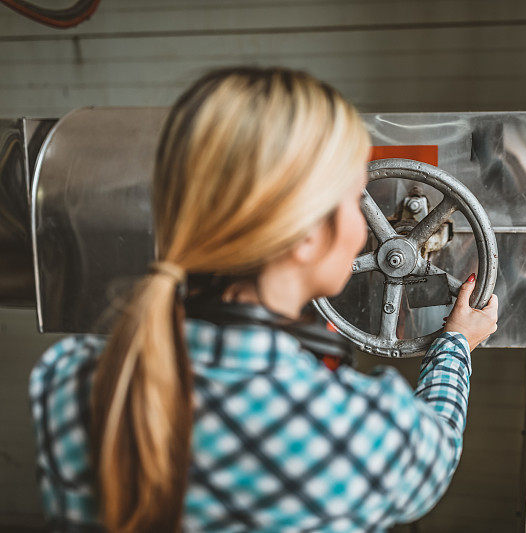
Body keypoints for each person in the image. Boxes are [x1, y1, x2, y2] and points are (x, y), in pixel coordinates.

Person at [28, 66, 499, 532]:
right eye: (357, 197)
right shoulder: (361, 431)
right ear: (308, 237)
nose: (365, 230)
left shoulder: (70, 380)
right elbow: (436, 448)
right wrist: (455, 343)